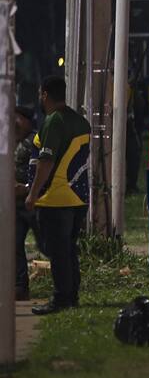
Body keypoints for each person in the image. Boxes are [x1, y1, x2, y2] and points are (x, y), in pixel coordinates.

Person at [25, 76, 90, 315]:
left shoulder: (54, 121)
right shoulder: (80, 121)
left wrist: (32, 194)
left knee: (57, 251)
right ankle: (71, 295)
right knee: (68, 249)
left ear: (44, 94)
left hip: (56, 198)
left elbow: (47, 160)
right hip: (77, 197)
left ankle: (61, 298)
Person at [13, 105, 38, 302]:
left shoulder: (35, 142)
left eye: (18, 119)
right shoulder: (10, 142)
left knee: (48, 245)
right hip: (15, 204)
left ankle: (64, 288)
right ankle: (20, 287)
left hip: (36, 202)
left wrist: (29, 188)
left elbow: (45, 169)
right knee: (13, 243)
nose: (14, 123)